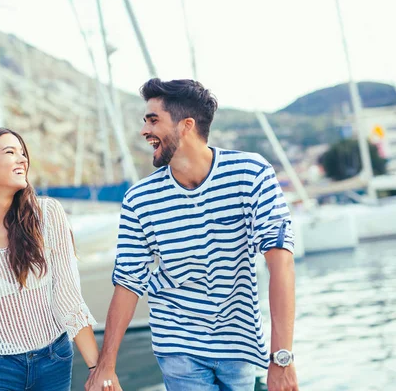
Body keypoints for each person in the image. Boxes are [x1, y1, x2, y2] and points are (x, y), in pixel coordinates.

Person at [87, 79, 299, 391]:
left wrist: (281, 357)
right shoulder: (139, 199)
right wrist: (106, 367)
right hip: (178, 343)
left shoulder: (252, 174)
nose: (145, 131)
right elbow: (128, 282)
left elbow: (281, 264)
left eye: (153, 120)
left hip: (238, 341)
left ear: (186, 125)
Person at [0, 127, 110, 391]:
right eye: (10, 152)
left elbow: (69, 299)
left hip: (54, 361)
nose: (23, 159)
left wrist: (98, 371)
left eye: (23, 152)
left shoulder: (48, 216)